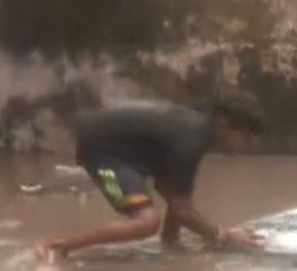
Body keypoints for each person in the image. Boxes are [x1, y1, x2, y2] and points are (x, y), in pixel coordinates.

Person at [34, 90, 268, 261]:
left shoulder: (196, 130)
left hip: (121, 149)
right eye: (245, 137)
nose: (245, 146)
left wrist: (173, 248)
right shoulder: (192, 138)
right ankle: (61, 246)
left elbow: (177, 199)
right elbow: (181, 210)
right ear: (225, 124)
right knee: (146, 222)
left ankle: (169, 243)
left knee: (176, 193)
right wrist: (224, 236)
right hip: (100, 155)